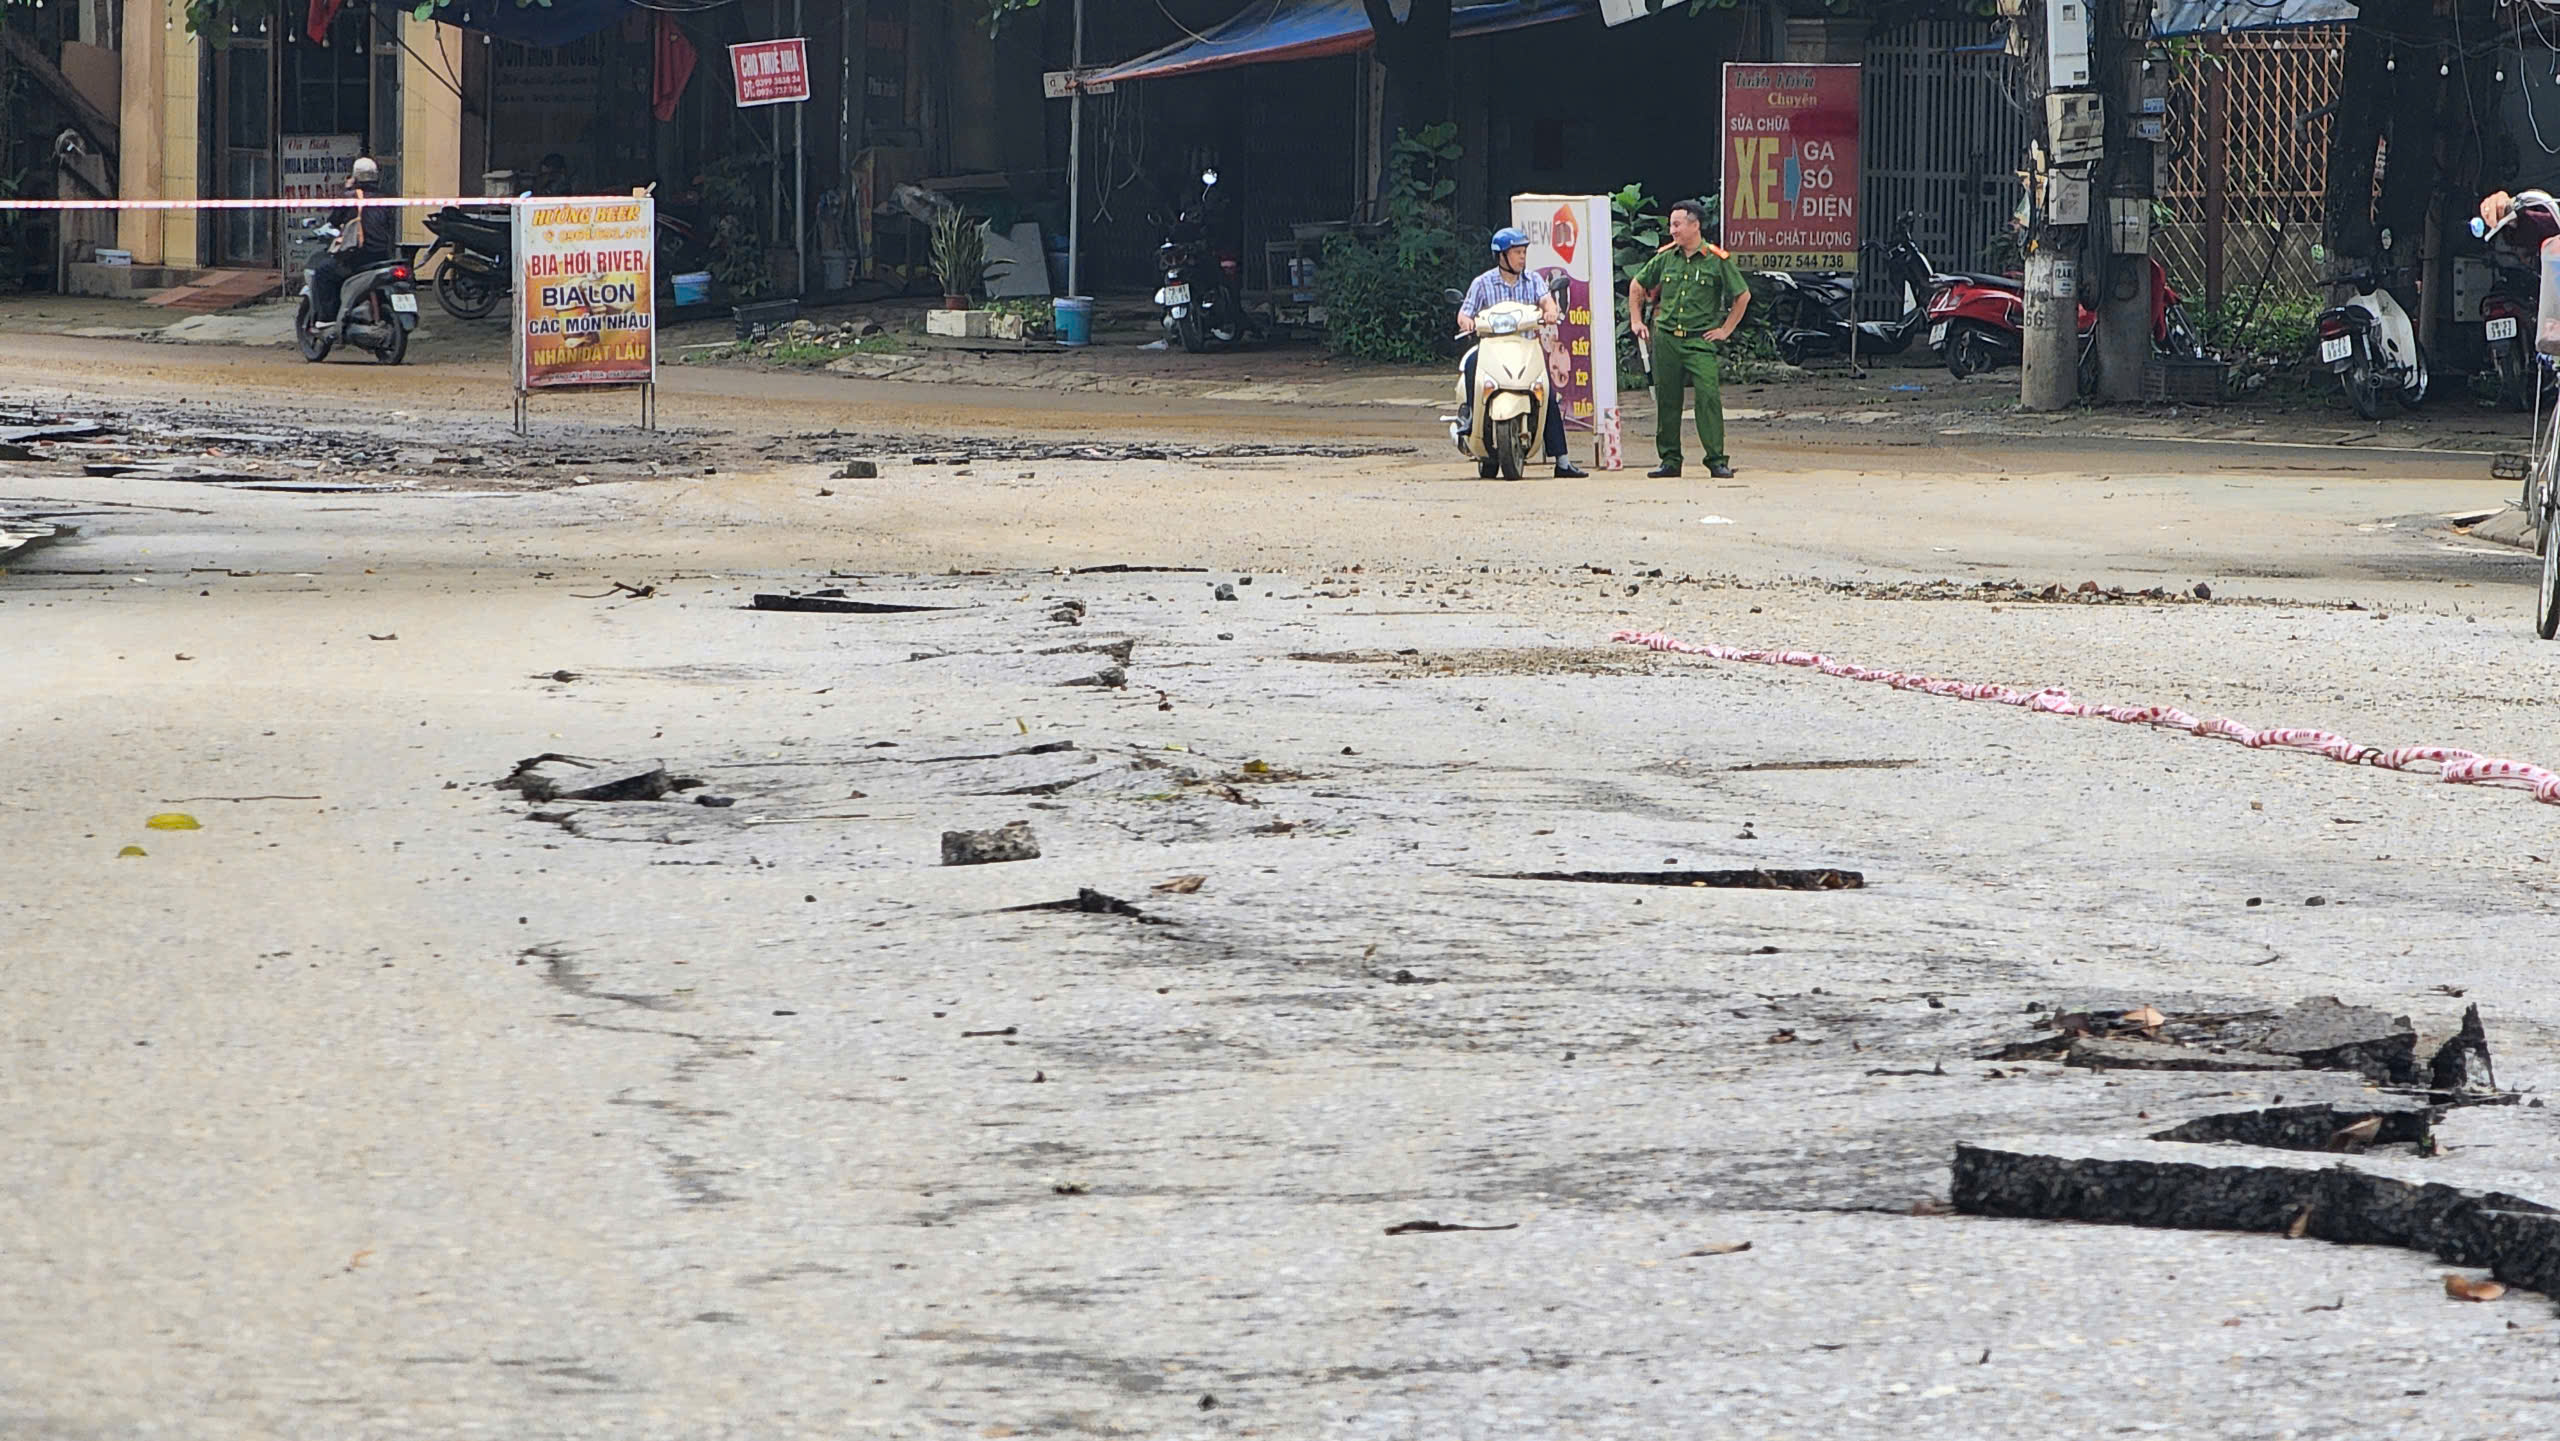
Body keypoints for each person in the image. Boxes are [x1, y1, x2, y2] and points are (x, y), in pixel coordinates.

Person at [1628, 199, 1750, 478]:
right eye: (1671, 224)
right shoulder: (1666, 257)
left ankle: (1716, 459)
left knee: (1708, 396)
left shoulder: (1716, 259)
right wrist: (1636, 320)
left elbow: (1742, 295)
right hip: (1667, 338)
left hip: (1700, 340)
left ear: (1695, 225)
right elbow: (1638, 284)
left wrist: (1725, 330)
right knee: (1668, 400)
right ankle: (1670, 460)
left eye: (1677, 224)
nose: (1672, 230)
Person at [1456, 227, 1588, 479]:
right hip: (1492, 348)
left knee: (1546, 393)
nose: (1522, 257)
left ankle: (1562, 460)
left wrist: (1550, 311)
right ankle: (1471, 418)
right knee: (1472, 363)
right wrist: (1467, 323)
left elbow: (1547, 301)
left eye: (1524, 252)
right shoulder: (1482, 283)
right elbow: (1465, 312)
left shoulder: (1534, 280)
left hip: (1526, 348)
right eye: (1517, 252)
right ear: (1501, 256)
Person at [313, 156, 394, 323]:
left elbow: (333, 222)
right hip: (383, 257)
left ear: (355, 176)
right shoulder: (384, 198)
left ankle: (327, 320)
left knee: (323, 272)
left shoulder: (350, 197)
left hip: (358, 258)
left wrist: (347, 189)